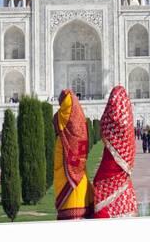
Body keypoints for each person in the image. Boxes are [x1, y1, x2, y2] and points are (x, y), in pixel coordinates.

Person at [93, 86, 138, 218]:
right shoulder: (128, 121)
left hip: (109, 168)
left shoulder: (109, 121)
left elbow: (104, 124)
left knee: (101, 185)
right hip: (121, 171)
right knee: (122, 186)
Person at [53, 89, 94, 220]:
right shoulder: (81, 125)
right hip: (81, 178)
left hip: (68, 179)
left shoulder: (61, 118)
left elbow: (56, 122)